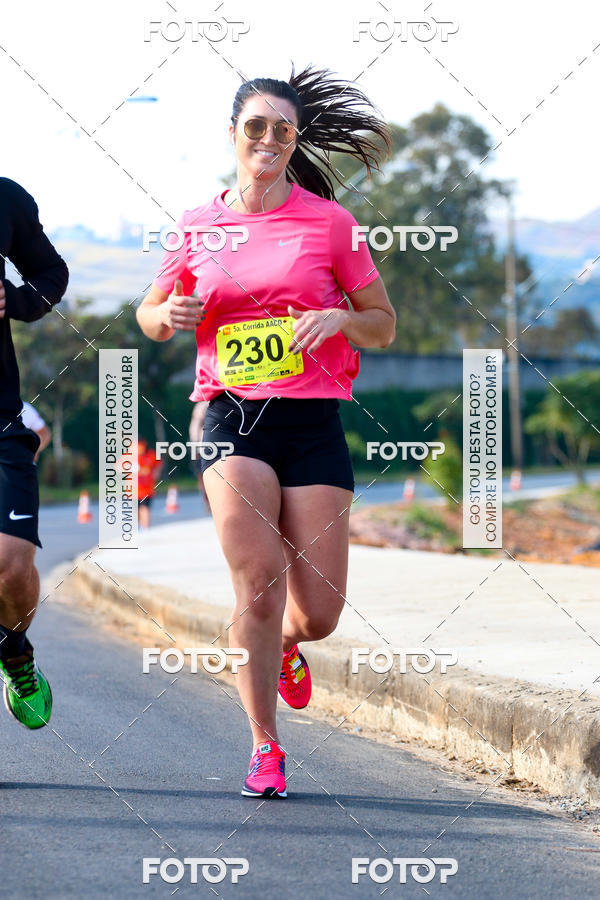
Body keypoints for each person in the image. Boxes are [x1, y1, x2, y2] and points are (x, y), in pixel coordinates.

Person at [136, 66, 396, 798]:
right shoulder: (196, 224)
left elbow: (383, 324)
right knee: (257, 586)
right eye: (257, 126)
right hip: (229, 418)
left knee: (317, 613)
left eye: (284, 129)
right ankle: (263, 746)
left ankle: (286, 646)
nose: (270, 139)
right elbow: (150, 313)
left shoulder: (330, 224)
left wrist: (343, 319)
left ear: (293, 141)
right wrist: (169, 319)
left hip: (311, 423)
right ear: (233, 135)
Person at [0, 177, 68, 728]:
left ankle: (15, 652)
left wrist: (16, 300)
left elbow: (52, 273)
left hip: (0, 419)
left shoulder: (6, 198)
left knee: (12, 564)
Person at [188, 400, 210, 510]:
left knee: (203, 476)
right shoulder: (203, 406)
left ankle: (208, 500)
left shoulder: (202, 406)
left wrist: (194, 445)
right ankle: (208, 500)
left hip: (202, 445)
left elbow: (195, 428)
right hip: (205, 445)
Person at [137, 437, 161, 529]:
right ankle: (140, 526)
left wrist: (156, 473)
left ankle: (145, 529)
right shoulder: (129, 455)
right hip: (133, 491)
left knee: (145, 508)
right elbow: (118, 465)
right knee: (137, 511)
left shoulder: (150, 455)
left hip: (147, 489)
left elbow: (158, 464)